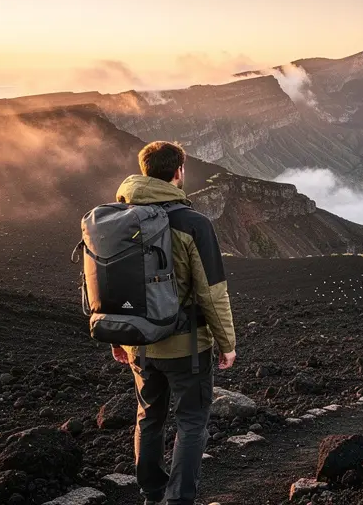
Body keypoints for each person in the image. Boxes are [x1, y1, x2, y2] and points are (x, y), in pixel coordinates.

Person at [111, 141, 237, 505]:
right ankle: (179, 500)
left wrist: (117, 339)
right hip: (187, 349)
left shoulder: (118, 219)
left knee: (149, 417)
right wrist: (226, 343)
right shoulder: (193, 223)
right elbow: (213, 292)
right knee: (191, 422)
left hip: (139, 343)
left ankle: (152, 494)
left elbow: (109, 284)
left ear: (144, 170)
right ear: (179, 172)